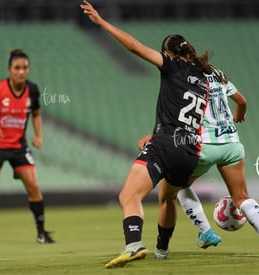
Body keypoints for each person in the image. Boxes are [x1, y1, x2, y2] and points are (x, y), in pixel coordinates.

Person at [80, 0, 212, 268]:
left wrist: (102, 22)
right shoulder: (204, 79)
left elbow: (134, 46)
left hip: (166, 146)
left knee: (128, 196)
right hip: (189, 152)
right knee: (168, 197)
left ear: (169, 53)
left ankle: (134, 244)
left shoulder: (172, 65)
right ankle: (162, 250)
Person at [138, 67, 259, 259]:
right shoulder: (216, 73)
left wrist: (156, 136)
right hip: (231, 143)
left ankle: (206, 231)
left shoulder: (187, 78)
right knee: (241, 197)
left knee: (175, 187)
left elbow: (183, 116)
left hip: (204, 145)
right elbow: (242, 101)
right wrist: (238, 115)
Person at [0, 50, 54, 245]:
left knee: (34, 187)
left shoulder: (33, 90)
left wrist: (38, 135)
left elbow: (36, 113)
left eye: (25, 68)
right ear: (9, 70)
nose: (21, 72)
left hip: (19, 146)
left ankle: (41, 233)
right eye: (17, 68)